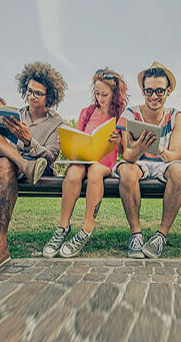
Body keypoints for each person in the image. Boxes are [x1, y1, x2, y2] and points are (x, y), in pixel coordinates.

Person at [0, 62, 67, 275]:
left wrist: (29, 141)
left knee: (4, 164)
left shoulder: (57, 123)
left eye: (38, 93)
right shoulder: (17, 114)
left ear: (49, 97)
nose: (32, 96)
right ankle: (23, 165)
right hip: (16, 160)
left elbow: (51, 157)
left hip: (37, 165)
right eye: (29, 91)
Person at [43, 68, 128, 258]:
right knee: (73, 171)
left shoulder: (121, 117)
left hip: (104, 165)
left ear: (115, 94)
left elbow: (123, 152)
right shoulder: (87, 112)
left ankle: (86, 229)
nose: (100, 98)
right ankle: (62, 228)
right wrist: (69, 143)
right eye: (97, 93)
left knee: (95, 171)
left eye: (104, 94)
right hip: (83, 160)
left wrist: (118, 142)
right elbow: (77, 139)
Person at [114, 62, 181, 259]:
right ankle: (136, 234)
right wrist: (140, 148)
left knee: (180, 171)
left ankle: (160, 235)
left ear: (168, 91)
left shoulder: (176, 116)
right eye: (149, 91)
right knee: (126, 171)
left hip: (165, 163)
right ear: (143, 91)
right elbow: (127, 156)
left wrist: (157, 148)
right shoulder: (130, 114)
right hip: (138, 163)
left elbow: (175, 155)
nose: (154, 96)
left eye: (159, 91)